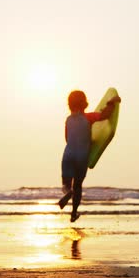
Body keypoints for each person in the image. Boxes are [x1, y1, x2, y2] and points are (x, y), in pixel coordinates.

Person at [59, 90, 121, 222]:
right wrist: (111, 102)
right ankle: (74, 213)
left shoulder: (68, 120)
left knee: (66, 184)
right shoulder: (89, 117)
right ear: (85, 103)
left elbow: (67, 138)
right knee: (78, 186)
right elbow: (105, 115)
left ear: (69, 104)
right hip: (82, 157)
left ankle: (67, 193)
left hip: (68, 155)